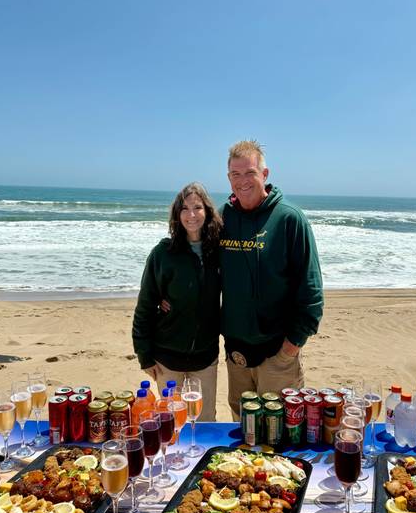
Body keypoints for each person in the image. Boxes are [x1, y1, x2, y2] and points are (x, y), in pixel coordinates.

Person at [220, 140, 324, 420]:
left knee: (280, 431)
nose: (243, 181)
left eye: (250, 173)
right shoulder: (222, 218)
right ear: (228, 177)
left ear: (265, 175)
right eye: (235, 174)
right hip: (236, 355)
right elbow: (198, 265)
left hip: (278, 353)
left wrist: (293, 345)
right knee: (244, 431)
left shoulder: (290, 219)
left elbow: (311, 290)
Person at [132, 182, 222, 421]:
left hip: (205, 357)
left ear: (208, 211)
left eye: (197, 207)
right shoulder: (163, 254)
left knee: (203, 420)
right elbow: (145, 305)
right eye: (184, 208)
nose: (191, 215)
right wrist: (144, 355)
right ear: (176, 214)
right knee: (169, 422)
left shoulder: (220, 251)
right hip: (167, 359)